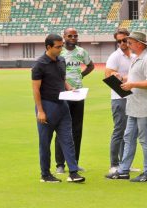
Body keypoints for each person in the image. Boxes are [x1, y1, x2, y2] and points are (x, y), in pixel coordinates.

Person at [105, 31, 147, 182]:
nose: (127, 45)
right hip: (134, 105)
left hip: (145, 106)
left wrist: (132, 84)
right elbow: (136, 77)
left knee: (145, 140)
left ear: (139, 43)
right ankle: (124, 169)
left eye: (130, 42)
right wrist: (122, 78)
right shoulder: (138, 58)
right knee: (128, 137)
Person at [31, 34, 85, 183]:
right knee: (45, 142)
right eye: (58, 47)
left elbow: (62, 79)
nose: (61, 49)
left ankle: (73, 173)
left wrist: (70, 88)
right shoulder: (39, 65)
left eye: (61, 46)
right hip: (47, 107)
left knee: (68, 140)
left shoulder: (61, 60)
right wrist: (40, 111)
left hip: (63, 105)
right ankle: (45, 174)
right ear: (48, 47)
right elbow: (36, 89)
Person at [54, 28, 94, 174]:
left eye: (75, 36)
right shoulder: (59, 52)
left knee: (77, 129)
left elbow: (91, 65)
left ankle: (74, 163)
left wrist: (81, 76)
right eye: (69, 36)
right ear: (64, 37)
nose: (73, 38)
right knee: (61, 129)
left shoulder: (81, 52)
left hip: (78, 93)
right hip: (63, 93)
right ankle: (60, 164)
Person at [105, 28, 140, 174]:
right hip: (119, 98)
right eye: (118, 41)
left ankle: (125, 163)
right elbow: (108, 75)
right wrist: (122, 78)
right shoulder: (115, 56)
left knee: (129, 132)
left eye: (124, 40)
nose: (121, 43)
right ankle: (114, 164)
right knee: (119, 131)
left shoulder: (133, 55)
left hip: (132, 97)